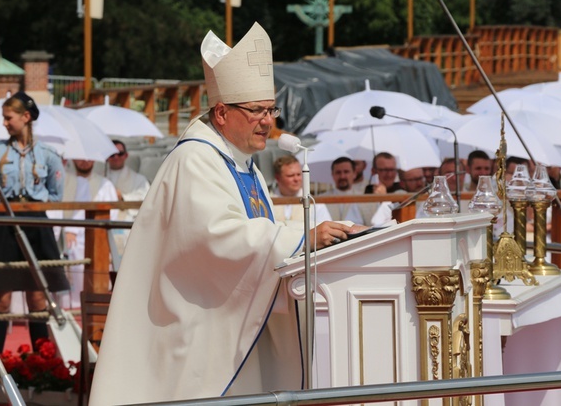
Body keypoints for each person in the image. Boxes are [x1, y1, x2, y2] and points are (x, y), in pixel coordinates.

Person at [90, 23, 363, 405]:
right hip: (192, 324)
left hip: (231, 319)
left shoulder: (242, 162)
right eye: (256, 111)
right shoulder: (195, 160)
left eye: (271, 109)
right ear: (221, 112)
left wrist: (324, 236)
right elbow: (216, 238)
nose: (268, 121)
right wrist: (302, 239)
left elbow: (257, 229)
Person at [0, 92, 66, 352]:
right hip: (4, 226)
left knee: (38, 297)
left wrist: (35, 207)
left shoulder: (49, 155)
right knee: (1, 298)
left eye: (9, 118)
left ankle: (43, 364)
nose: (4, 123)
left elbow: (56, 195)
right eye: (3, 118)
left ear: (26, 117)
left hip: (36, 225)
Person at [55, 159, 118, 308]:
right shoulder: (64, 182)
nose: (84, 162)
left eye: (87, 159)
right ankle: (71, 307)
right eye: (80, 158)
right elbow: (57, 210)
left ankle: (92, 305)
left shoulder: (105, 184)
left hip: (98, 235)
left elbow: (113, 211)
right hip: (68, 235)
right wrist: (69, 230)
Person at [105, 140, 151, 254]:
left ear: (126, 155)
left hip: (127, 218)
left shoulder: (139, 179)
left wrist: (123, 197)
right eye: (112, 154)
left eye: (120, 154)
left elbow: (146, 198)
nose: (116, 157)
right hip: (104, 217)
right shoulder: (100, 179)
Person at [272, 155, 332, 228]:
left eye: (299, 174)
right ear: (277, 178)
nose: (296, 179)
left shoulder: (315, 203)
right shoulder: (267, 201)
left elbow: (326, 228)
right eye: (291, 175)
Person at [321, 156, 371, 224]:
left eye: (346, 172)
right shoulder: (321, 200)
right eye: (338, 172)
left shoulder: (364, 198)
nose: (342, 176)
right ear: (333, 175)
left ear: (354, 174)